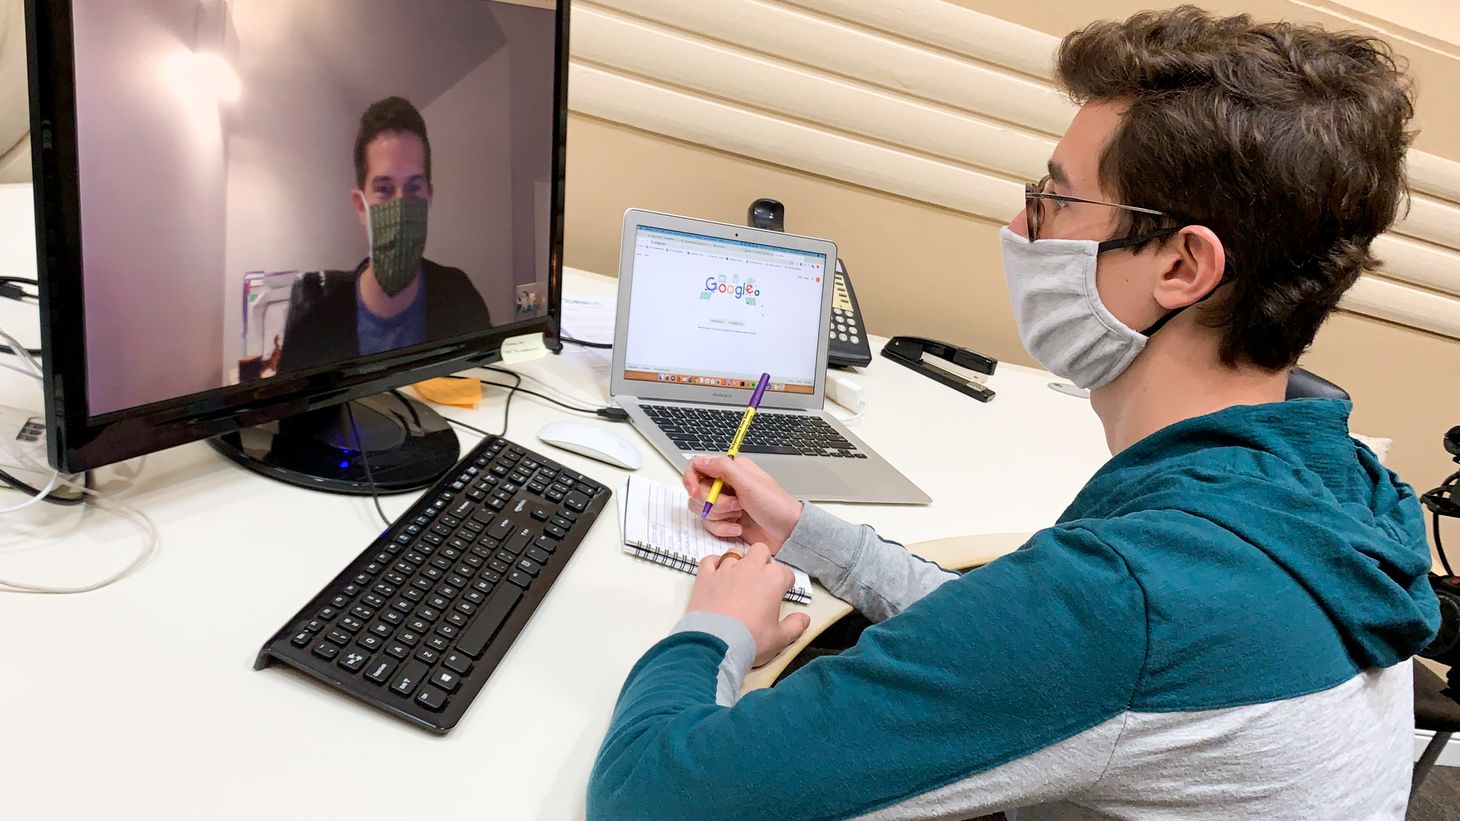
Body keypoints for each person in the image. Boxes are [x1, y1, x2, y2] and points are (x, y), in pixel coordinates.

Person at [587, 7, 1439, 819]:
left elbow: (647, 798)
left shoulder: (1135, 596)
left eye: (1055, 199)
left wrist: (713, 629)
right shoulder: (1328, 486)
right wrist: (806, 531)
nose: (1020, 224)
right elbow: (1019, 638)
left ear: (1182, 267)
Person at [275, 96, 490, 374]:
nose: (400, 205)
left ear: (429, 197)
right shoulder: (312, 332)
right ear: (360, 207)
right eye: (384, 189)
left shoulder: (461, 299)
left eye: (413, 189)